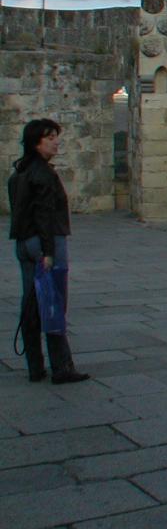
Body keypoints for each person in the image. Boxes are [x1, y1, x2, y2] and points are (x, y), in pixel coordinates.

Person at [8, 118, 90, 384]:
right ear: (36, 142)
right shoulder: (43, 174)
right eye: (50, 137)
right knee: (53, 303)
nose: (56, 141)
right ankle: (62, 367)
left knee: (31, 303)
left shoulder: (20, 171)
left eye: (56, 136)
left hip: (24, 243)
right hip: (46, 242)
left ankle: (35, 366)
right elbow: (44, 214)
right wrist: (48, 251)